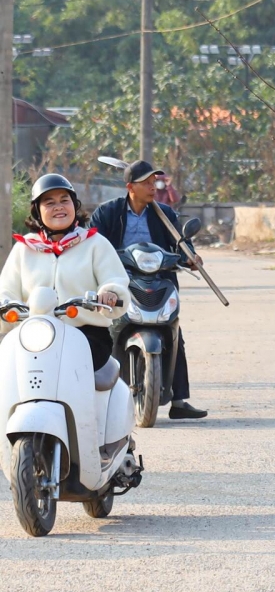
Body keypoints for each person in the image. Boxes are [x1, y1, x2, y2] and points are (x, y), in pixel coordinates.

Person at [90, 161, 207, 419]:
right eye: (146, 183)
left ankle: (179, 401)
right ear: (130, 187)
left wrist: (191, 258)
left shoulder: (165, 214)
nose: (153, 187)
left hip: (158, 278)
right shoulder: (108, 212)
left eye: (154, 182)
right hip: (120, 281)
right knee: (103, 333)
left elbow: (181, 243)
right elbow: (93, 244)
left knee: (174, 331)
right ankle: (99, 396)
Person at [0, 174, 130, 370]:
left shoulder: (95, 243)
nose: (58, 207)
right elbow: (6, 291)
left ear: (74, 206)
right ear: (37, 212)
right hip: (32, 335)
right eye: (49, 203)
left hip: (86, 334)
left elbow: (114, 279)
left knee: (69, 368)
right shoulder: (24, 248)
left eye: (64, 200)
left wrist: (110, 293)